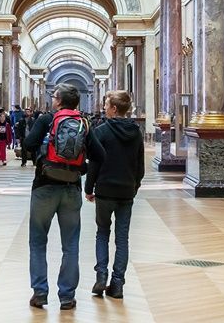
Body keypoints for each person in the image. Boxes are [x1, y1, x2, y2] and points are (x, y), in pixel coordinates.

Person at [23, 83, 104, 311]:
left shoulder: (46, 120)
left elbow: (28, 144)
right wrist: (81, 168)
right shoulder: (84, 122)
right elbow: (100, 155)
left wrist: (43, 153)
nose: (52, 100)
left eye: (54, 97)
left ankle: (40, 293)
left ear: (59, 101)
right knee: (70, 244)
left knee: (38, 242)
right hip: (71, 188)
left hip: (44, 186)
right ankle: (67, 296)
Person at [85, 90, 144, 301]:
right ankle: (117, 284)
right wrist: (134, 186)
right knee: (122, 238)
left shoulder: (101, 132)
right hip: (126, 191)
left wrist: (89, 188)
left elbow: (94, 163)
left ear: (114, 108)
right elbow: (140, 166)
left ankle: (101, 276)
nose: (104, 108)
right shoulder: (136, 133)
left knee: (102, 233)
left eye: (106, 105)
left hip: (105, 191)